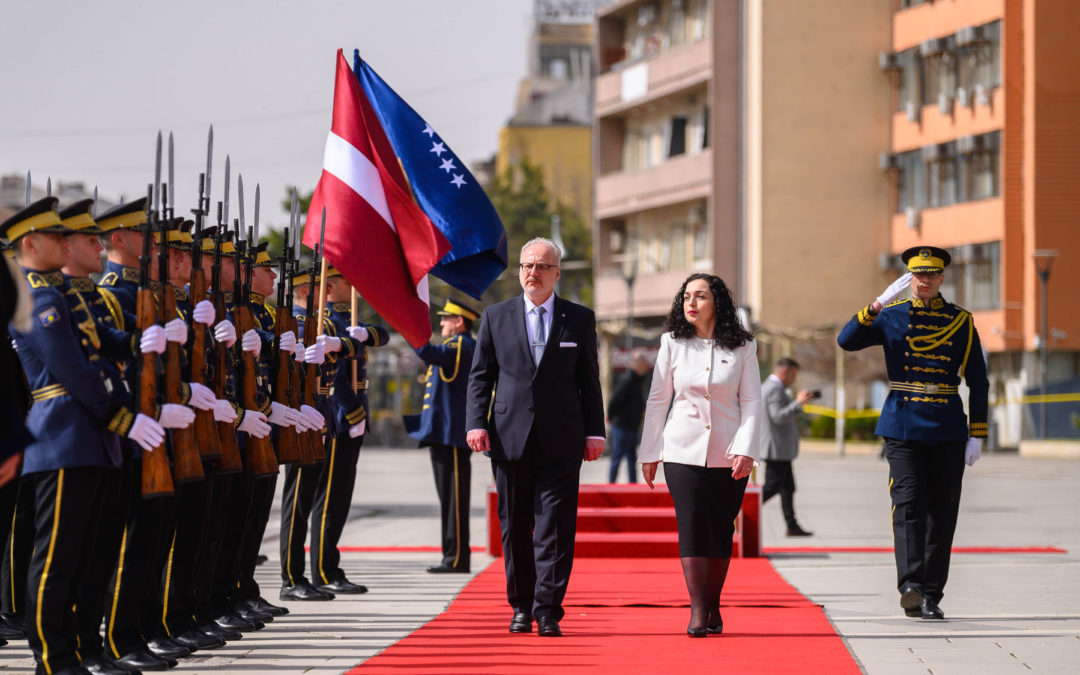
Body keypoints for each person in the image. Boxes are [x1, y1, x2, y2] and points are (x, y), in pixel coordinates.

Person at [838, 246, 988, 621]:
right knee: (908, 505)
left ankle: (932, 594)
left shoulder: (962, 321)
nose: (924, 281)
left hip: (948, 425)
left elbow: (979, 381)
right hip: (903, 422)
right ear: (908, 279)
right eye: (918, 275)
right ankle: (910, 586)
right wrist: (874, 306)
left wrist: (977, 432)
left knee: (942, 512)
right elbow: (846, 340)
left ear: (942, 278)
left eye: (932, 275)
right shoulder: (891, 316)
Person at [466, 237, 605, 638]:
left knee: (556, 528)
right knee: (515, 527)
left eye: (543, 266)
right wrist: (475, 423)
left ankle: (548, 609)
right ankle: (521, 606)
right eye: (527, 266)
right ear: (519, 272)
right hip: (509, 440)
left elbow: (588, 381)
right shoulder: (497, 316)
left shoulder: (578, 318)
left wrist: (595, 431)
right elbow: (480, 378)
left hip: (562, 438)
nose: (534, 273)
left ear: (557, 273)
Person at [639, 272, 760, 638]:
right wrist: (650, 452)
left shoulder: (744, 346)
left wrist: (747, 449)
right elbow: (659, 399)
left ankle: (713, 603)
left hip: (729, 451)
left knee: (721, 528)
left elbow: (752, 401)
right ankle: (696, 610)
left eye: (701, 296)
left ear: (717, 303)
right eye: (687, 296)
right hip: (681, 450)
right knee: (691, 524)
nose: (691, 303)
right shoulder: (672, 343)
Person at [405, 298, 479, 574]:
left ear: (460, 322)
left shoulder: (462, 345)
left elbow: (430, 353)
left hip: (453, 435)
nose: (442, 323)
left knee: (455, 501)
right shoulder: (454, 345)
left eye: (446, 318)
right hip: (442, 434)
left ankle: (457, 557)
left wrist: (410, 325)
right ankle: (451, 555)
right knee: (448, 499)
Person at [761, 357, 815, 537]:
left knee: (787, 488)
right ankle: (737, 509)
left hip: (779, 449)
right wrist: (798, 403)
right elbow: (778, 417)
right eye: (793, 375)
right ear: (785, 372)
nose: (794, 379)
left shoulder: (775, 388)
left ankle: (792, 525)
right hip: (776, 449)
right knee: (772, 487)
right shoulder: (774, 389)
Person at [606, 348, 651, 483]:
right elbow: (614, 401)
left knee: (632, 458)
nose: (646, 368)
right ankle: (611, 486)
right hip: (621, 426)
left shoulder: (638, 380)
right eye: (644, 365)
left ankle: (633, 486)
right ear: (636, 365)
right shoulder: (627, 380)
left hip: (632, 426)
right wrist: (611, 417)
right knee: (617, 457)